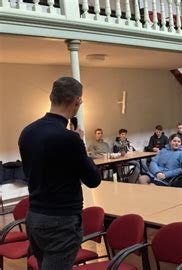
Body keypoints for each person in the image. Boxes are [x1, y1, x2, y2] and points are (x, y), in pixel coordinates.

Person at [18, 77, 101, 269]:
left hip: (34, 215)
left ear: (51, 97)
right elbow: (93, 179)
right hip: (61, 220)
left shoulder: (27, 132)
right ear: (78, 101)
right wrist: (80, 142)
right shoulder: (69, 139)